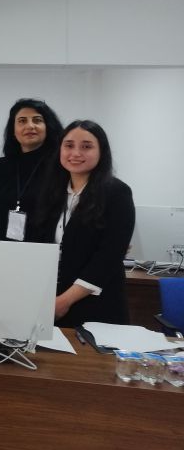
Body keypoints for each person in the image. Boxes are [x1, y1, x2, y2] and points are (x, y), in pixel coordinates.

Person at [28, 120, 135, 327]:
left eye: (86, 146)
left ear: (101, 151)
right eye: (69, 145)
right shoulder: (51, 192)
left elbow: (108, 258)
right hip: (50, 301)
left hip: (95, 305)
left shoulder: (117, 193)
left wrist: (64, 301)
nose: (76, 153)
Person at [0, 98, 63, 241]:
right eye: (22, 121)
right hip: (1, 247)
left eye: (37, 120)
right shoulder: (1, 166)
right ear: (13, 130)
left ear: (48, 127)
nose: (30, 126)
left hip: (43, 247)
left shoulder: (59, 166)